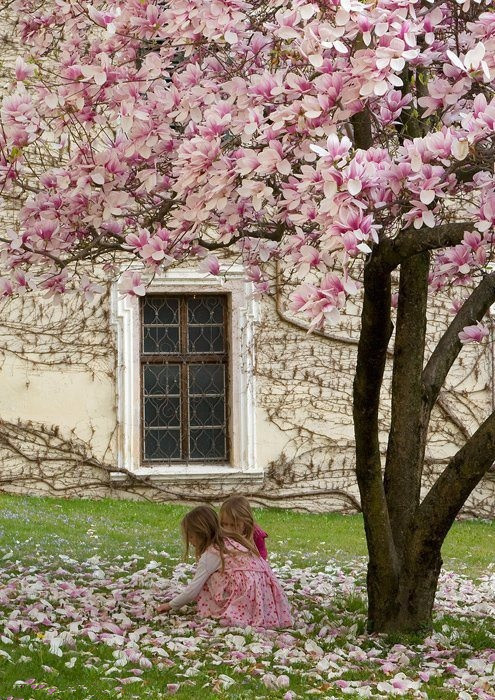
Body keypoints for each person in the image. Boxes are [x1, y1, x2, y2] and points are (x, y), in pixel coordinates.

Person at [157, 505, 291, 628]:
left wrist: (169, 605)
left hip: (246, 594)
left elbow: (192, 590)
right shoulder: (232, 540)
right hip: (264, 593)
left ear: (201, 534)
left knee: (211, 578)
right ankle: (250, 611)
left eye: (191, 537)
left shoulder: (212, 553)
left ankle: (232, 610)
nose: (190, 542)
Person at [219, 495, 268, 560]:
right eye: (224, 524)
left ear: (246, 522)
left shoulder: (256, 534)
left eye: (234, 525)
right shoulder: (219, 531)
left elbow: (262, 556)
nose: (228, 529)